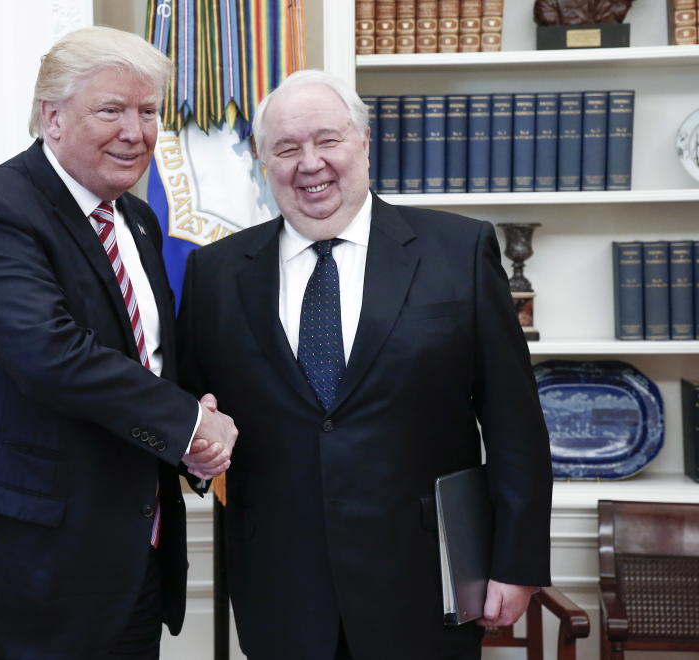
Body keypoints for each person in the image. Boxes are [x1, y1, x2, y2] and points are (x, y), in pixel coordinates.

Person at [0, 26, 237, 660]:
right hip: (10, 575)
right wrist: (189, 424)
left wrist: (188, 444)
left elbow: (144, 362)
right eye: (112, 110)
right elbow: (49, 354)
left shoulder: (139, 221)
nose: (136, 131)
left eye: (149, 111)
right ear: (51, 116)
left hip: (130, 569)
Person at [178, 69, 553, 660]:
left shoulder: (458, 251)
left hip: (426, 585)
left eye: (327, 141)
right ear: (261, 161)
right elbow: (192, 414)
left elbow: (515, 423)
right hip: (280, 591)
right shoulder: (215, 275)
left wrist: (517, 562)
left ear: (363, 142)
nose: (310, 164)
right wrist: (195, 449)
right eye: (286, 148)